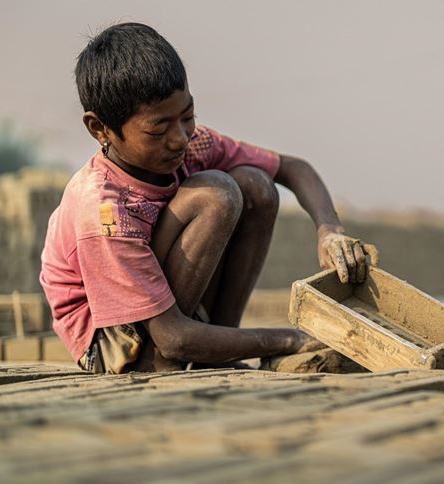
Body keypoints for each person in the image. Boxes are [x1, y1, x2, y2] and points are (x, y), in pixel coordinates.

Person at [40, 22, 371, 373]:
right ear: (100, 129)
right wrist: (291, 339)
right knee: (215, 193)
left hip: (166, 303)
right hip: (110, 338)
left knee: (255, 185)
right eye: (158, 130)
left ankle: (213, 353)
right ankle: (161, 364)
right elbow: (171, 335)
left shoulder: (192, 145)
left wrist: (329, 230)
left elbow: (293, 169)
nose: (180, 138)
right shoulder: (103, 209)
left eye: (187, 116)